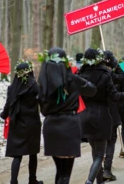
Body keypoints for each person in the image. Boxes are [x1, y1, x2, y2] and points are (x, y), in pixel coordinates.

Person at [78, 48, 124, 184]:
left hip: (84, 117)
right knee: (100, 155)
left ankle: (99, 180)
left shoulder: (80, 75)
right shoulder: (106, 75)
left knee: (95, 153)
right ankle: (89, 181)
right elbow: (117, 96)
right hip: (102, 116)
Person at [38, 47, 97, 184]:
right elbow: (92, 90)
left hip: (51, 126)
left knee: (60, 169)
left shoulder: (43, 83)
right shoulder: (73, 79)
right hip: (69, 125)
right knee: (65, 173)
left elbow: (42, 106)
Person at [0, 61, 43, 184]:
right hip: (32, 125)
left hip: (17, 124)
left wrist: (4, 115)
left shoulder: (12, 88)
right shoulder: (34, 86)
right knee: (32, 153)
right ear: (29, 72)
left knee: (17, 155)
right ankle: (32, 180)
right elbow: (42, 101)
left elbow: (8, 105)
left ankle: (13, 181)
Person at [102, 50, 124, 181]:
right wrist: (116, 66)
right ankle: (106, 169)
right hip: (110, 110)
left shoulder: (89, 72)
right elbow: (123, 78)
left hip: (95, 113)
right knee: (111, 140)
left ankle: (99, 168)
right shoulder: (109, 75)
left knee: (100, 142)